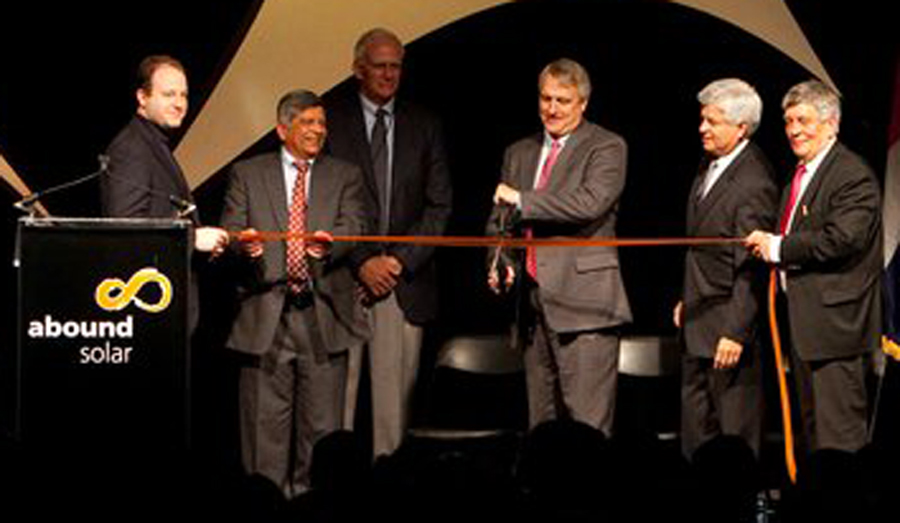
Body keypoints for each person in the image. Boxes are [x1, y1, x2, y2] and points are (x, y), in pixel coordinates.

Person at [219, 89, 370, 497]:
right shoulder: (248, 173)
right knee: (263, 439)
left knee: (320, 439)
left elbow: (353, 226)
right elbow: (231, 229)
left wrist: (330, 244)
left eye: (321, 123)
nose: (317, 130)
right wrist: (243, 244)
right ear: (282, 128)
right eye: (308, 122)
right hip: (266, 319)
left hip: (322, 318)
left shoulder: (345, 175)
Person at [323, 28, 452, 458]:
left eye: (396, 65)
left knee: (393, 416)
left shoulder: (425, 123)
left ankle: (389, 496)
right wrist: (362, 262)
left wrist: (395, 262)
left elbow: (439, 206)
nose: (389, 74)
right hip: (344, 279)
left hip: (404, 284)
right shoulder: (330, 121)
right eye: (380, 65)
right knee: (332, 410)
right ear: (359, 69)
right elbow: (323, 201)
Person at [487, 58, 631, 436]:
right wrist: (499, 260)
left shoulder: (607, 146)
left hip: (585, 305)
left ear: (583, 103)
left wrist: (523, 199)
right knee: (541, 429)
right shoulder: (519, 151)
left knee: (587, 429)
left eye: (562, 101)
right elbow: (500, 220)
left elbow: (588, 203)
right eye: (545, 98)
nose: (551, 109)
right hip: (533, 304)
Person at [745, 79, 881, 454]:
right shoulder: (801, 175)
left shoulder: (851, 174)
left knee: (838, 436)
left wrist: (778, 247)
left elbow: (842, 238)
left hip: (835, 329)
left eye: (803, 121)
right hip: (804, 323)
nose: (793, 131)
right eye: (789, 121)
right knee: (811, 431)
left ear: (832, 123)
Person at [674, 78, 777, 460]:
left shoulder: (753, 181)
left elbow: (752, 266)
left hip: (727, 332)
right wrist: (687, 298)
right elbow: (703, 246)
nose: (702, 128)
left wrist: (736, 331)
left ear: (741, 128)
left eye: (712, 121)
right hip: (698, 319)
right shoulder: (711, 164)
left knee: (734, 438)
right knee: (696, 436)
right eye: (703, 119)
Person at [100, 54, 228, 254]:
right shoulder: (131, 148)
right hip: (149, 281)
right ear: (142, 97)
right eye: (169, 94)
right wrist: (193, 239)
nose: (179, 104)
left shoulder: (152, 141)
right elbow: (125, 228)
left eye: (183, 95)